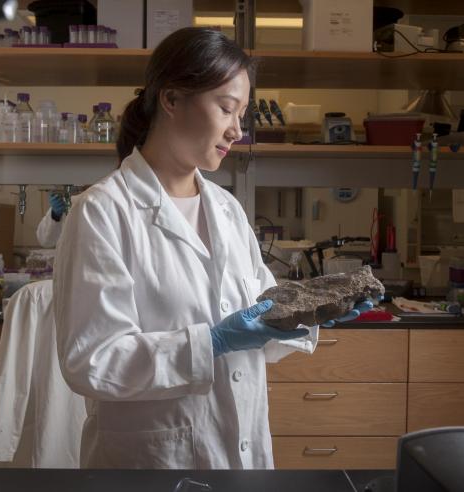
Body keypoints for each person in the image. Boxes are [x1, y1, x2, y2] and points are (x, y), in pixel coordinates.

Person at [53, 27, 372, 470]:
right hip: (153, 461)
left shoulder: (226, 208)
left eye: (242, 113)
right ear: (171, 99)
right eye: (226, 109)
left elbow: (259, 315)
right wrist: (212, 342)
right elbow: (92, 361)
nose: (237, 130)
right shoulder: (102, 212)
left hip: (239, 451)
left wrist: (303, 315)